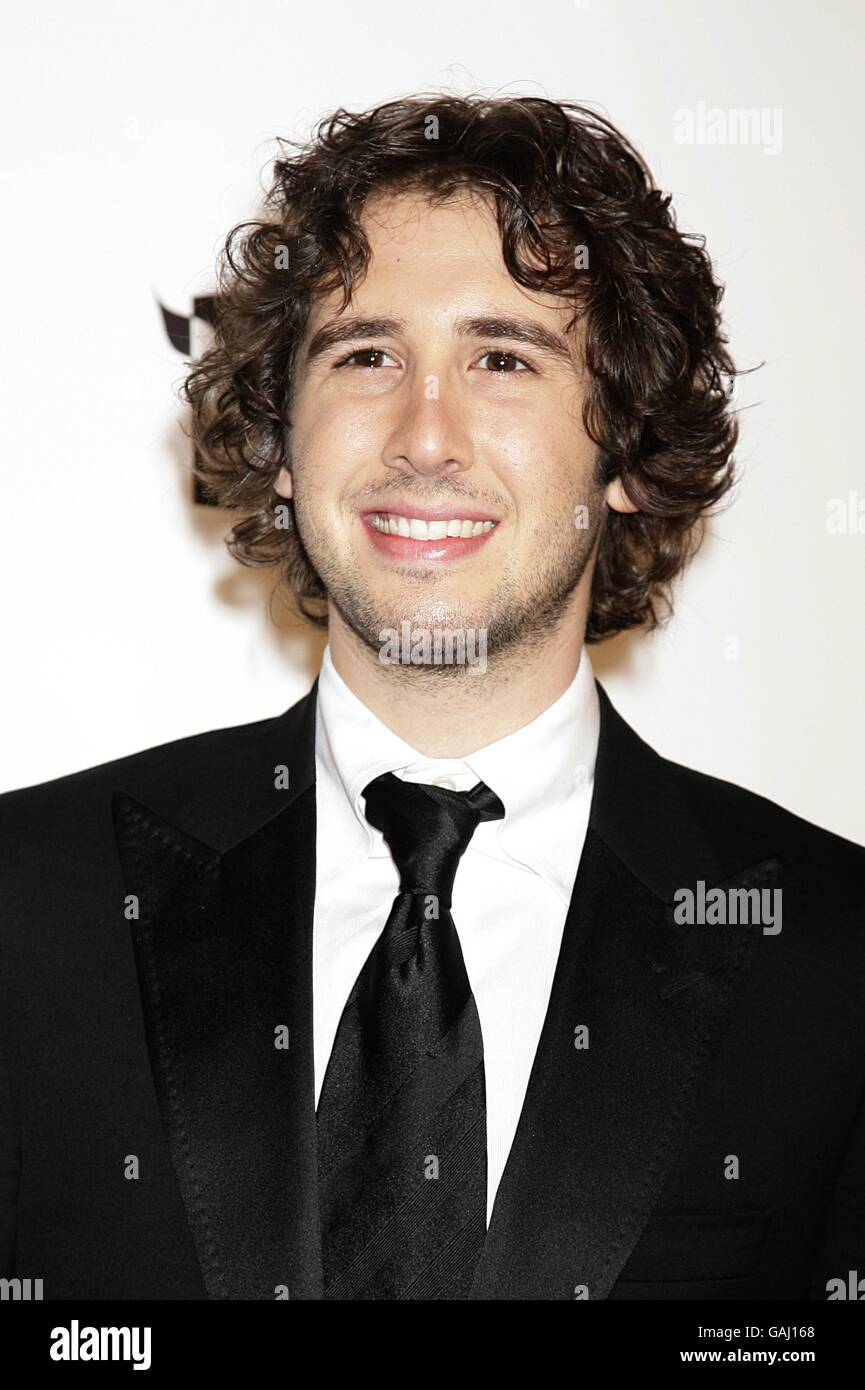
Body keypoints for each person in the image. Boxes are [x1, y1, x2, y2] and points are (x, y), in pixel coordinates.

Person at [1, 94, 862, 1302]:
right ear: (284, 445)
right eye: (367, 355)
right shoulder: (31, 899)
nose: (425, 434)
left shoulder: (831, 951)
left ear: (621, 449)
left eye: (502, 357)